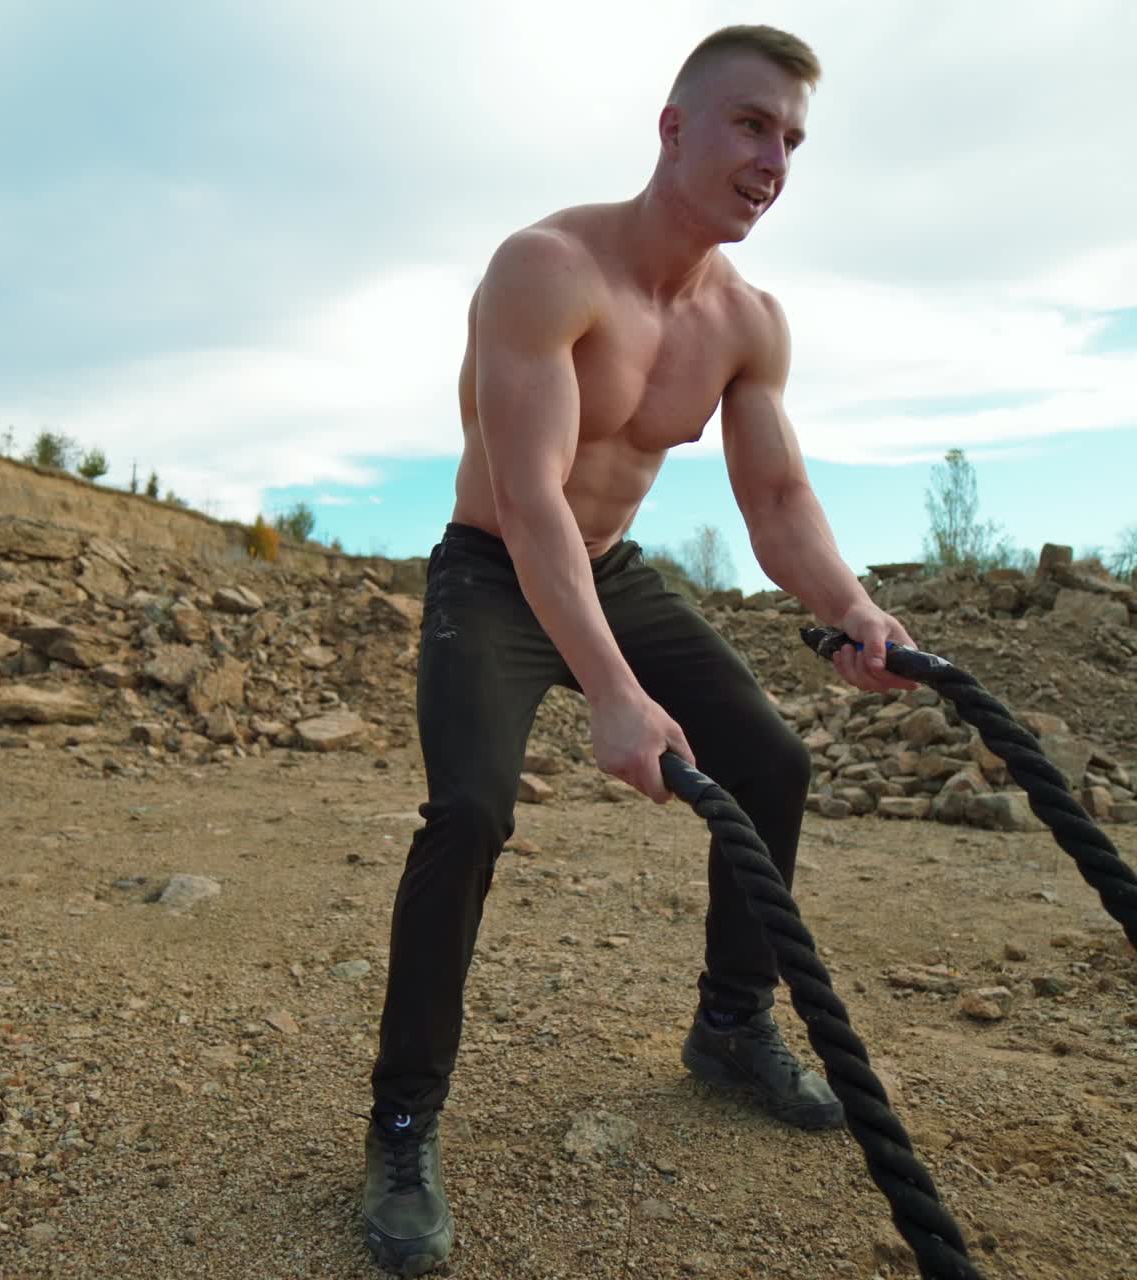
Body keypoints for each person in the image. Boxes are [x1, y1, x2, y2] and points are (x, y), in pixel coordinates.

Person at [360, 23, 918, 1276]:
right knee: (466, 811)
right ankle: (401, 1122)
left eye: (789, 139)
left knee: (769, 763)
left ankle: (729, 1028)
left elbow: (774, 503)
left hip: (612, 570)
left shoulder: (745, 320)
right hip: (494, 566)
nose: (771, 158)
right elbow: (531, 497)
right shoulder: (546, 268)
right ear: (672, 128)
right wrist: (611, 692)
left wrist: (854, 606)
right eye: (747, 125)